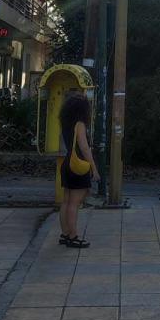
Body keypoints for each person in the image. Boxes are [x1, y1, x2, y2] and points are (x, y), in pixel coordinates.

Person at [58, 92, 98, 249]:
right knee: (74, 203)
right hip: (78, 165)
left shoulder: (66, 123)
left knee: (66, 201)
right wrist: (94, 168)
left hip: (67, 163)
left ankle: (65, 233)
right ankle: (73, 236)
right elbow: (84, 148)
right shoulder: (80, 124)